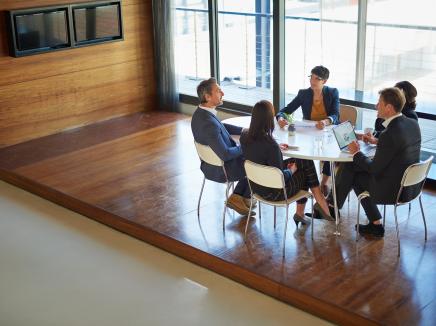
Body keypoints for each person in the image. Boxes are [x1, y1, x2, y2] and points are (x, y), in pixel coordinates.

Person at [330, 87, 421, 237]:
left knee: (353, 172)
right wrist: (375, 141)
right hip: (411, 185)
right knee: (353, 165)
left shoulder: (389, 133)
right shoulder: (412, 123)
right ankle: (334, 207)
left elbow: (374, 170)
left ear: (389, 108)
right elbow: (398, 145)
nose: (376, 106)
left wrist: (356, 152)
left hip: (394, 190)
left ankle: (333, 207)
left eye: (379, 103)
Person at [240, 100, 333, 226]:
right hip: (275, 192)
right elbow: (280, 179)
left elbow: (260, 154)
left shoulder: (244, 135)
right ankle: (320, 203)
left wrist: (278, 148)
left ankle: (307, 210)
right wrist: (291, 170)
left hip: (256, 188)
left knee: (303, 162)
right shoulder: (271, 146)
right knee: (306, 168)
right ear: (269, 119)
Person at [191, 78, 253, 216]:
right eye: (218, 91)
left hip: (210, 166)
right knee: (257, 159)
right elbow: (225, 154)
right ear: (207, 97)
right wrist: (247, 146)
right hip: (222, 170)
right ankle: (239, 197)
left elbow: (222, 127)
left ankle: (240, 197)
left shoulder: (201, 114)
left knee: (253, 156)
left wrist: (246, 130)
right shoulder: (208, 123)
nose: (223, 93)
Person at [276, 65, 340, 195]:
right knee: (302, 153)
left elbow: (335, 114)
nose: (312, 81)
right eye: (311, 77)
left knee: (329, 152)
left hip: (327, 129)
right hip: (309, 131)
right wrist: (280, 119)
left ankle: (324, 182)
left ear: (324, 81)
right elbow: (285, 110)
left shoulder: (332, 92)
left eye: (317, 78)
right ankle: (305, 181)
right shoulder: (304, 94)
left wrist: (325, 121)